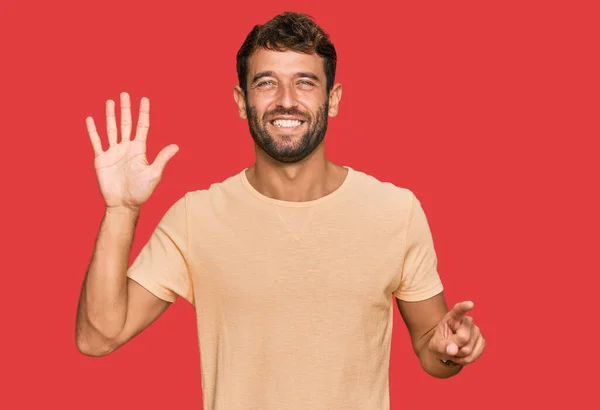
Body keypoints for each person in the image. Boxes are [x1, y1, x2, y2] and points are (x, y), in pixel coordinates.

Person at [75, 11, 485, 410]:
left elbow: (433, 350)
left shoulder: (397, 211)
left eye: (305, 82)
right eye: (266, 82)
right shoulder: (194, 218)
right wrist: (121, 210)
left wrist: (448, 350)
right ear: (241, 101)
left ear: (334, 98)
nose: (286, 101)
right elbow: (98, 338)